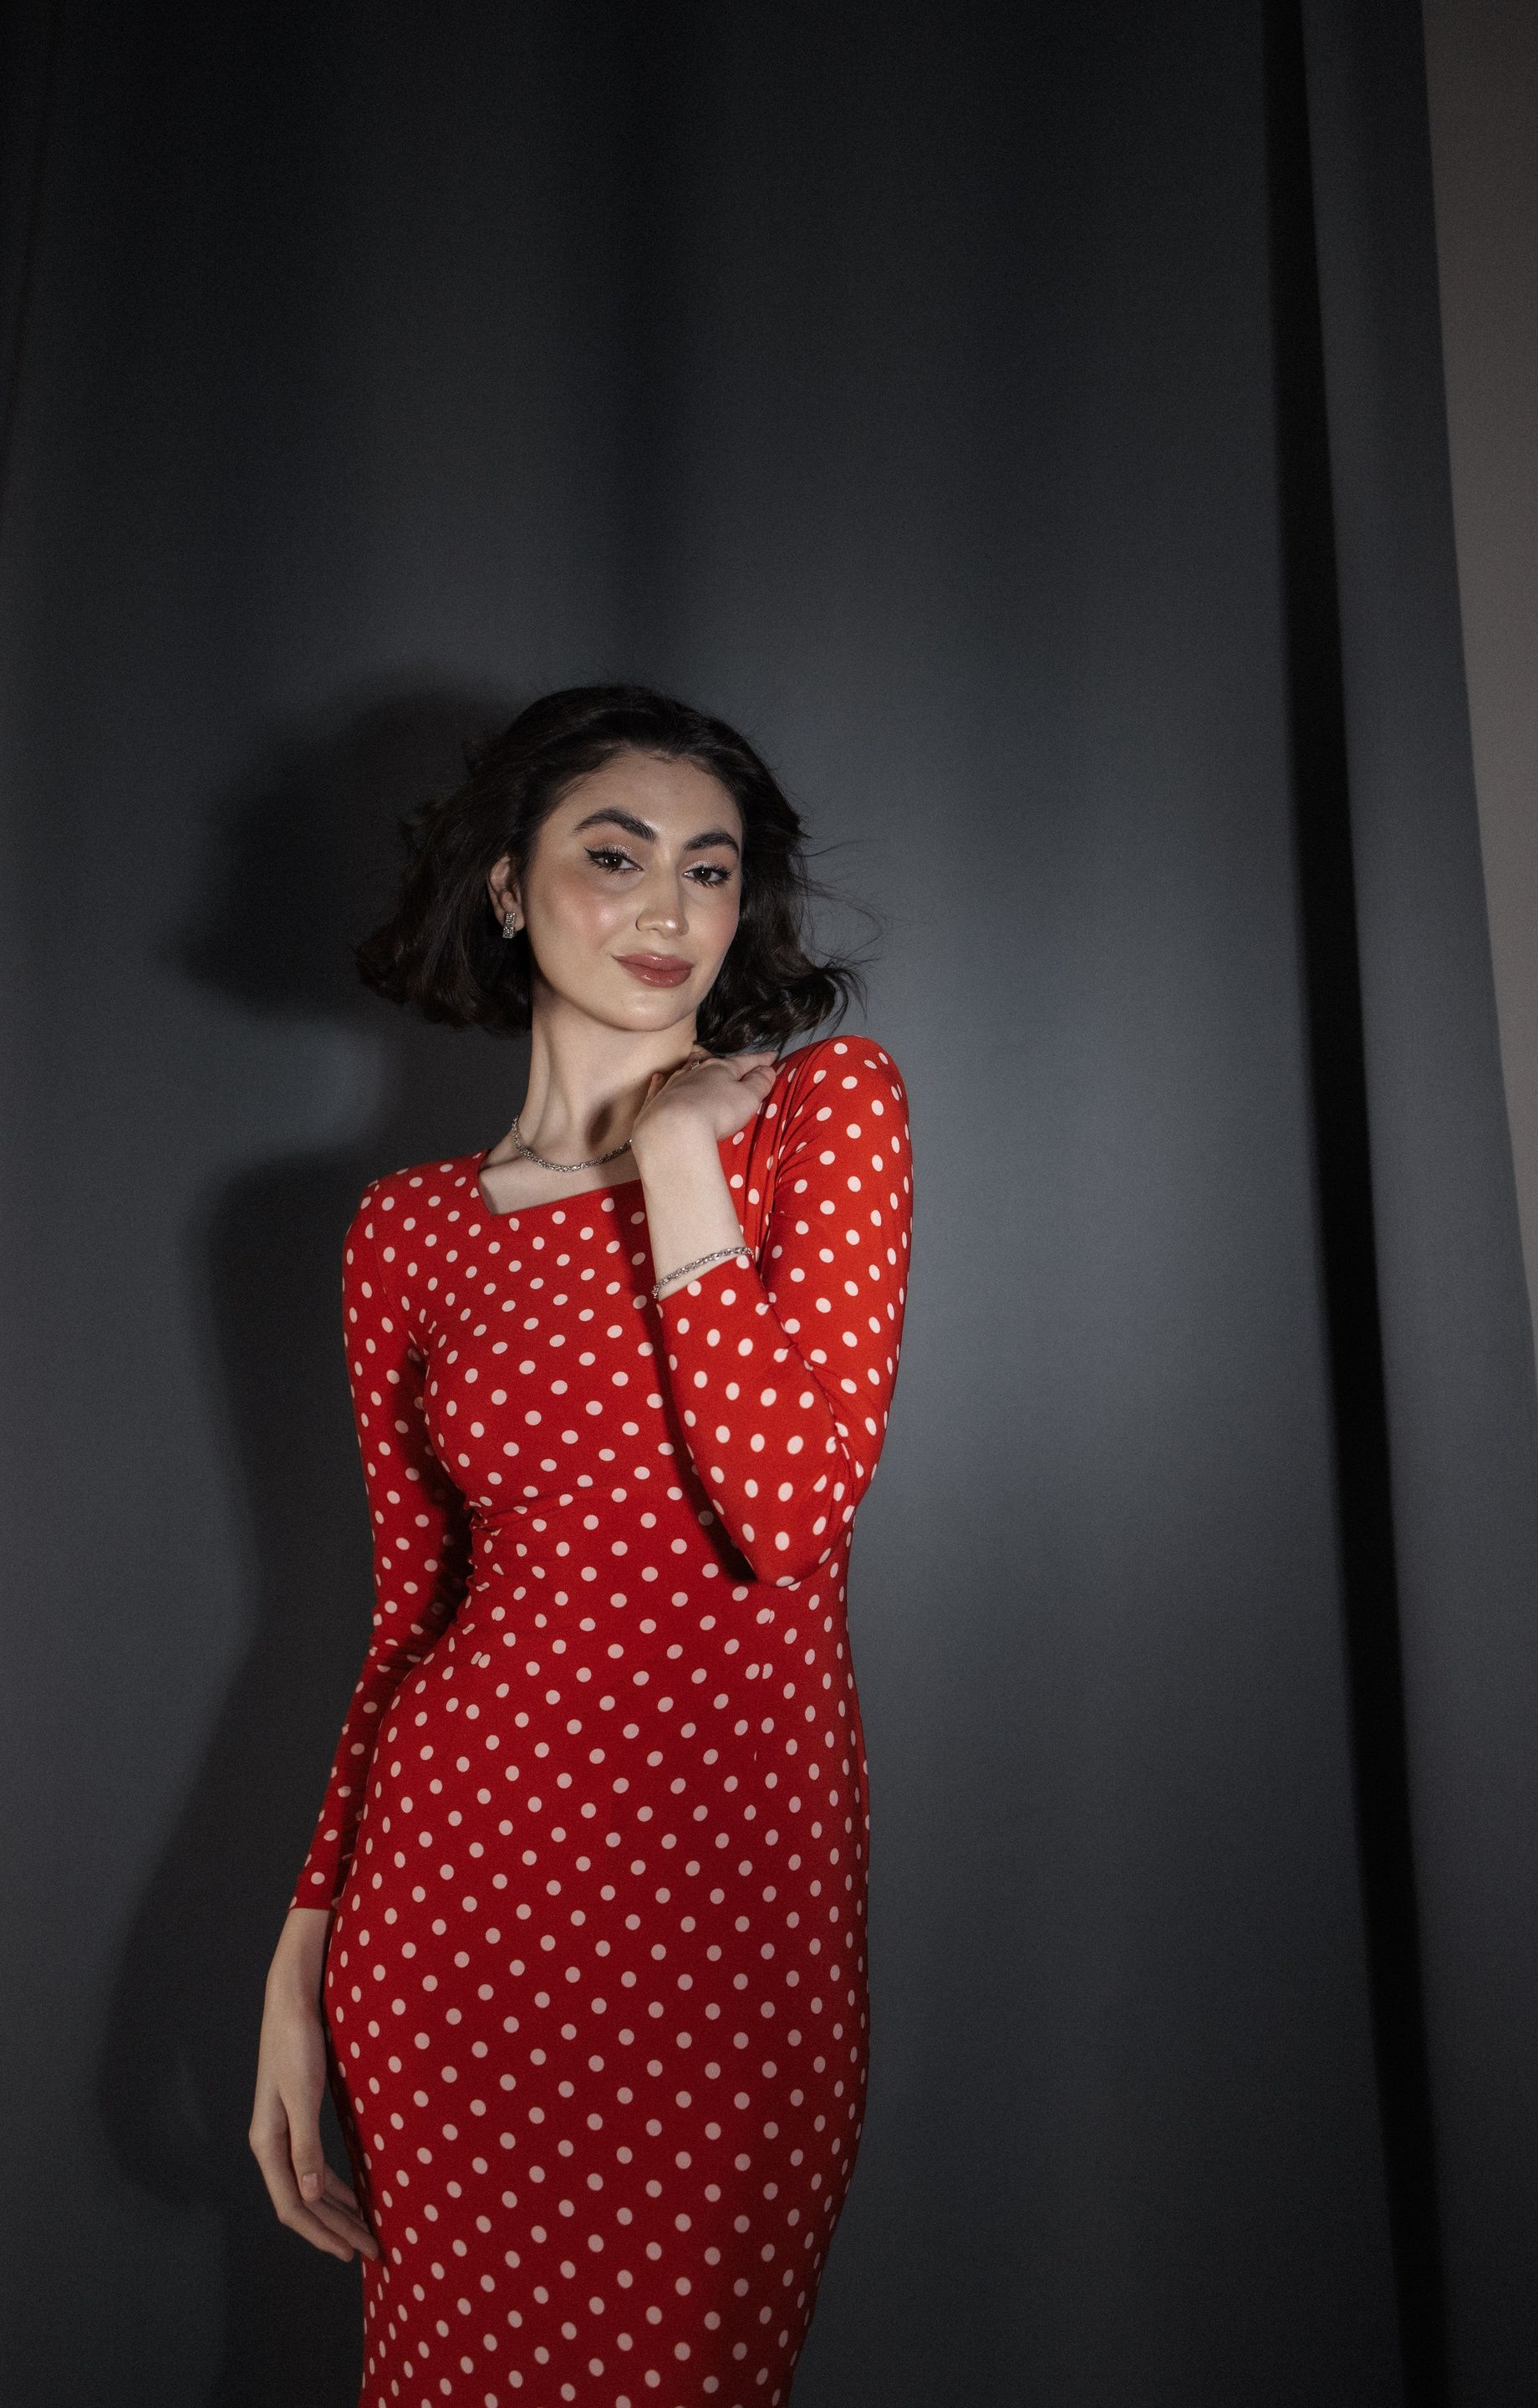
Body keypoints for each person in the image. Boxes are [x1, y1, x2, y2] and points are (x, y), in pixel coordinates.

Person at [249, 685, 912, 2408]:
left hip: (724, 1912)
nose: (668, 907)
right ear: (507, 884)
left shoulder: (822, 1114)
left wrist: (679, 1149)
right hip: (452, 1915)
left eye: (711, 867)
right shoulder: (406, 1235)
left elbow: (789, 1510)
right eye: (614, 857)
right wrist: (302, 1962)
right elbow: (410, 1619)